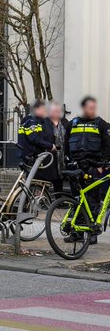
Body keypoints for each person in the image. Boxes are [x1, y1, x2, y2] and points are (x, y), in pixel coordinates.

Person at [65, 96, 110, 239]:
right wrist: (68, 162)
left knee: (92, 200)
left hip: (93, 167)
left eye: (93, 108)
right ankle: (77, 233)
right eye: (89, 107)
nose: (92, 110)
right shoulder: (72, 124)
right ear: (83, 108)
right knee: (77, 199)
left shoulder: (101, 125)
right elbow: (66, 146)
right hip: (76, 167)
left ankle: (91, 233)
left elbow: (107, 147)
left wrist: (102, 166)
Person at [17, 100, 53, 173]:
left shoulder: (30, 121)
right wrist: (50, 146)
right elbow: (34, 138)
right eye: (43, 109)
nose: (45, 112)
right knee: (34, 180)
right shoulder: (32, 122)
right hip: (32, 157)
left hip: (30, 156)